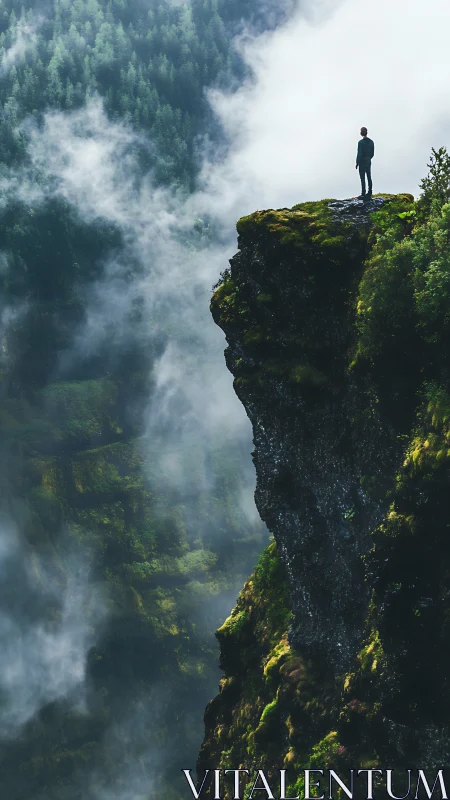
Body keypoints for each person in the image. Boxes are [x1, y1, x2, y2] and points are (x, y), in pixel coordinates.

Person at [355, 126, 374, 199]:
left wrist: (357, 162)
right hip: (368, 160)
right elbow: (372, 153)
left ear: (361, 133)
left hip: (362, 161)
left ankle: (363, 193)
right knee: (369, 176)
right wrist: (369, 158)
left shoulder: (360, 142)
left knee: (362, 177)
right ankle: (370, 192)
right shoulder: (371, 142)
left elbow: (359, 153)